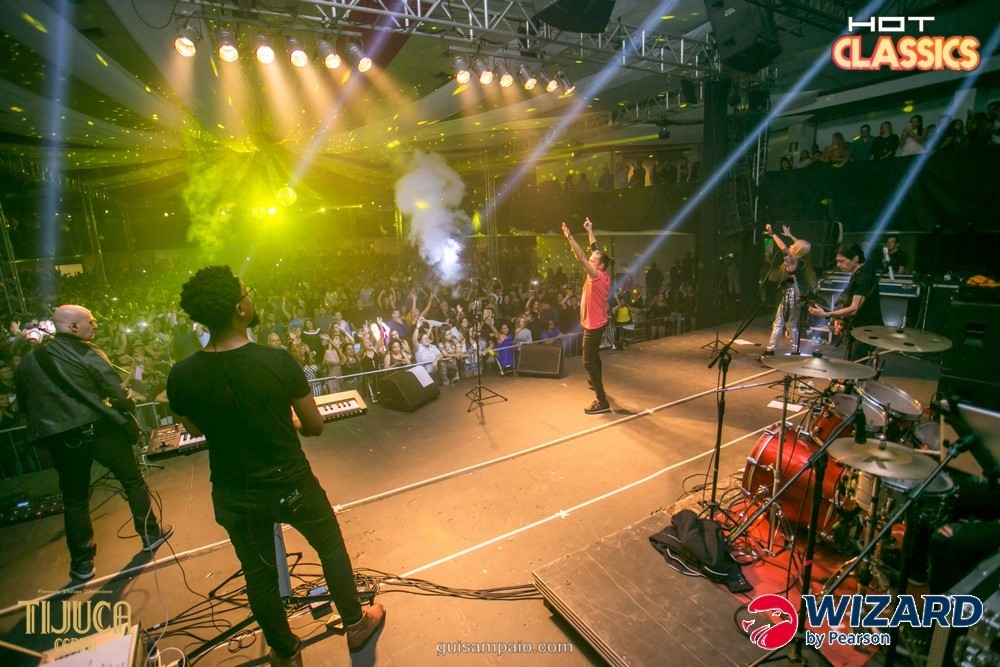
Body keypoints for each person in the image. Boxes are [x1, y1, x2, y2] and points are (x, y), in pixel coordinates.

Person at [166, 266, 384, 665]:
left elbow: (195, 428)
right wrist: (289, 419)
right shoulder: (276, 361)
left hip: (235, 492)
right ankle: (355, 625)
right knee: (330, 546)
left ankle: (285, 652)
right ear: (240, 308)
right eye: (246, 292)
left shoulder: (182, 374)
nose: (251, 297)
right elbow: (314, 426)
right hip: (291, 483)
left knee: (259, 575)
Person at [14, 305, 171, 581]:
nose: (95, 326)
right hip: (99, 430)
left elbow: (25, 405)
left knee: (75, 499)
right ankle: (150, 534)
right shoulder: (87, 352)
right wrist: (126, 409)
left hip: (61, 441)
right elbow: (118, 392)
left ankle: (82, 564)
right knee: (131, 480)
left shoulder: (28, 362)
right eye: (91, 322)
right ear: (73, 326)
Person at [562, 218, 611, 414]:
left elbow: (581, 257)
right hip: (599, 321)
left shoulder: (596, 276)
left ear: (600, 266)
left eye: (593, 262)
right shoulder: (603, 271)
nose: (590, 261)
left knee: (587, 361)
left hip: (593, 325)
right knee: (594, 356)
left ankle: (602, 401)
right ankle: (594, 380)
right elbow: (594, 249)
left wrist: (570, 237)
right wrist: (590, 230)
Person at [808, 244, 884, 361]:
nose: (838, 265)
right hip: (859, 327)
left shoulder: (865, 276)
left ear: (855, 258)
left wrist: (827, 314)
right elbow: (847, 299)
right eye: (837, 261)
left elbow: (854, 308)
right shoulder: (857, 273)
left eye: (841, 261)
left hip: (867, 329)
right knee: (852, 362)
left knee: (855, 364)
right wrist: (841, 319)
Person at [758, 225, 816, 361]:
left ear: (797, 250)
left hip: (791, 295)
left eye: (794, 245)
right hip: (794, 295)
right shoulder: (802, 261)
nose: (791, 245)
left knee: (779, 323)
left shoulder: (794, 261)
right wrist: (791, 236)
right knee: (790, 324)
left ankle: (770, 351)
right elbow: (802, 247)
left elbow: (784, 248)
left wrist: (772, 234)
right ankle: (793, 351)